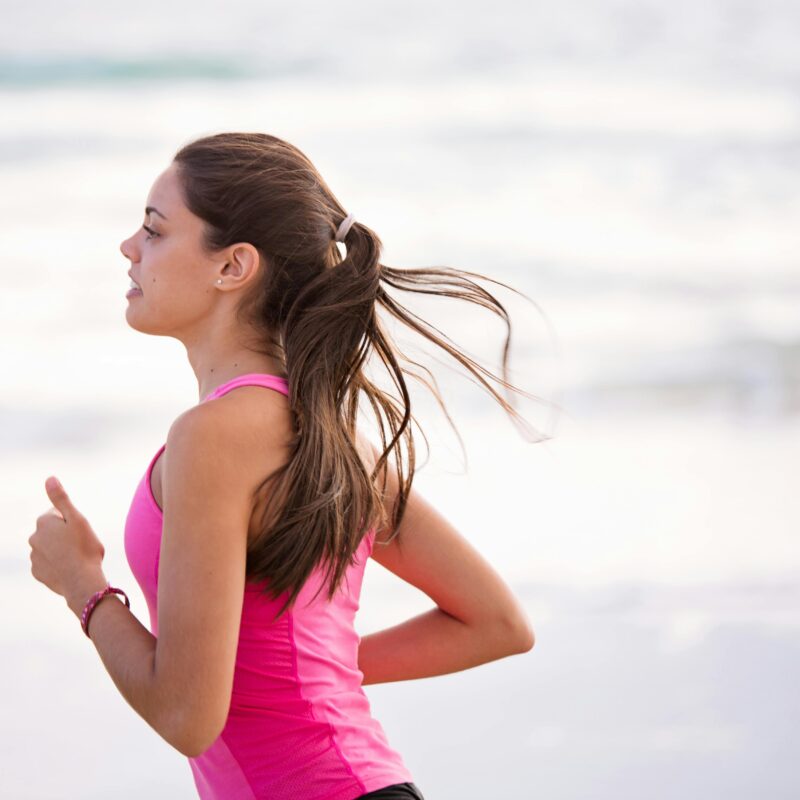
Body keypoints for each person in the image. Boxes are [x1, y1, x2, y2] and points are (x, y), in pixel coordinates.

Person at [73, 132, 546, 799]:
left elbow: (185, 718)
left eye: (154, 230)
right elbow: (495, 623)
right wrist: (305, 676)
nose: (129, 247)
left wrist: (84, 589)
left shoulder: (213, 437)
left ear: (233, 266)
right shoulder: (323, 431)